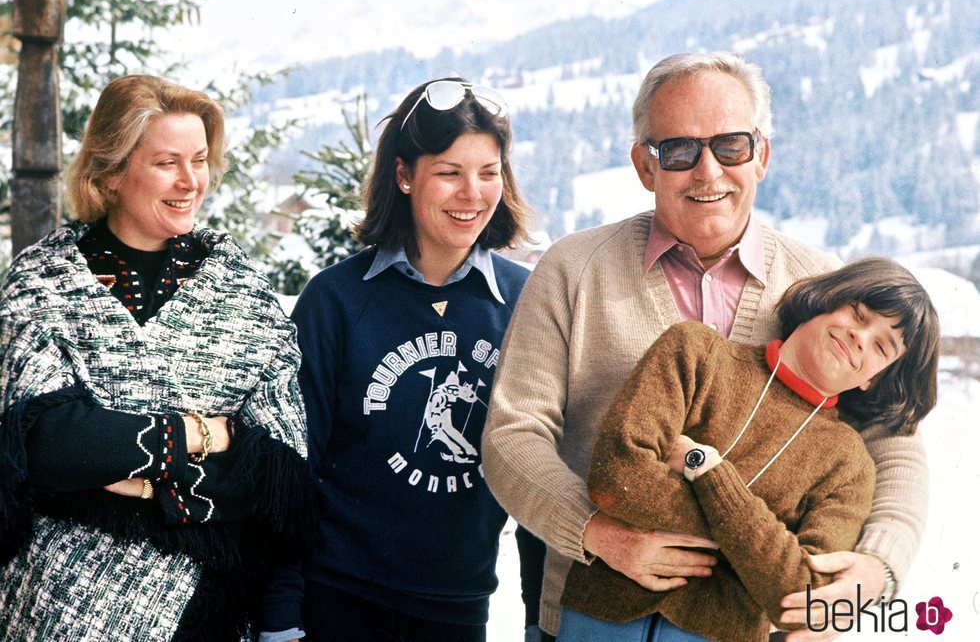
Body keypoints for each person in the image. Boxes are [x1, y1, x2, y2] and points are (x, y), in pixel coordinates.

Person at [482, 51, 930, 642]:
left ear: (762, 155)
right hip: (590, 610)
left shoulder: (824, 292)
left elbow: (892, 446)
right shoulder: (574, 269)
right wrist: (597, 531)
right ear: (646, 165)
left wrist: (877, 566)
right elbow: (514, 434)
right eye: (680, 151)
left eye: (731, 146)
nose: (708, 171)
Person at [0, 74, 317, 641]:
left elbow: (277, 481)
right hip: (50, 608)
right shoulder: (42, 281)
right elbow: (43, 444)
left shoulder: (243, 293)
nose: (190, 181)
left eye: (199, 160)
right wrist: (203, 434)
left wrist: (144, 481)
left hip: (202, 616)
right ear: (112, 171)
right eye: (168, 162)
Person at [262, 78, 533, 642]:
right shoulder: (335, 301)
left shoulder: (526, 301)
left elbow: (539, 470)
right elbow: (289, 470)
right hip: (338, 603)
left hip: (458, 606)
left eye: (489, 173)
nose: (473, 193)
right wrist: (280, 616)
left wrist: (540, 620)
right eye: (450, 172)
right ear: (405, 175)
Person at [557, 258, 939, 641]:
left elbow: (803, 595)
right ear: (825, 300)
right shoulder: (696, 353)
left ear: (875, 379)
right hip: (597, 617)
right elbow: (615, 476)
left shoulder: (849, 465)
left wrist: (706, 468)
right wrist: (758, 554)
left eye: (881, 347)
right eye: (858, 315)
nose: (860, 337)